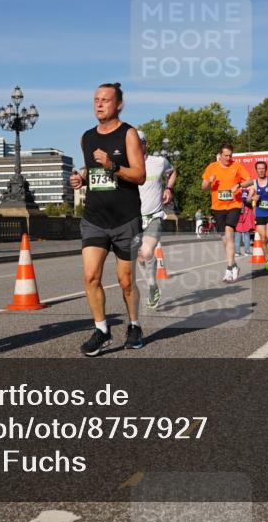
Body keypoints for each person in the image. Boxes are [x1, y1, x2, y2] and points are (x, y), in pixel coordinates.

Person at [69, 83, 146, 356]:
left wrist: (111, 166)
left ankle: (134, 325)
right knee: (91, 276)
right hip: (94, 217)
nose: (99, 104)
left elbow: (140, 175)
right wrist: (82, 178)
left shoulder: (129, 134)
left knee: (126, 281)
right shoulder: (86, 137)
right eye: (96, 100)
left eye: (105, 100)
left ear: (119, 105)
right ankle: (102, 330)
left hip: (125, 218)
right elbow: (91, 172)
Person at [201, 144, 253, 283]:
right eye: (226, 155)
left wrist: (239, 185)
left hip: (233, 205)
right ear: (220, 155)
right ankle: (234, 265)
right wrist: (209, 181)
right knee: (225, 239)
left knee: (229, 234)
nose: (228, 158)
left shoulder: (236, 166)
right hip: (218, 207)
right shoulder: (212, 167)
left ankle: (229, 268)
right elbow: (203, 187)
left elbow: (249, 180)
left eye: (230, 155)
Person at [136, 131, 176, 309]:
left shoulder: (159, 161)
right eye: (133, 143)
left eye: (140, 142)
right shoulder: (127, 165)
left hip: (154, 216)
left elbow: (173, 172)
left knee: (146, 252)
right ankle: (152, 286)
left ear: (146, 143)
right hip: (134, 218)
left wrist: (168, 188)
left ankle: (152, 287)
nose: (137, 146)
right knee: (141, 257)